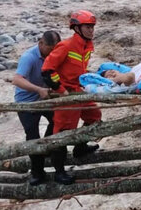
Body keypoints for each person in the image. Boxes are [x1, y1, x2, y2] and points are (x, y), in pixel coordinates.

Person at [42, 10, 102, 185]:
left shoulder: (87, 46)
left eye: (92, 27)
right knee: (62, 133)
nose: (91, 30)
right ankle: (59, 172)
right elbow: (47, 70)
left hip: (79, 90)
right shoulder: (66, 46)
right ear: (76, 28)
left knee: (94, 115)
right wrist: (60, 89)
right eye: (87, 27)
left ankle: (80, 148)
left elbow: (79, 69)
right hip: (67, 93)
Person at [12, 31, 61, 186]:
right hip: (27, 102)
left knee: (58, 122)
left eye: (55, 49)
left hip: (45, 99)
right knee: (33, 137)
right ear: (41, 43)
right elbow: (17, 79)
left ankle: (46, 147)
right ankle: (37, 172)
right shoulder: (29, 57)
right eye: (50, 48)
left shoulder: (52, 56)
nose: (52, 52)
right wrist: (38, 89)